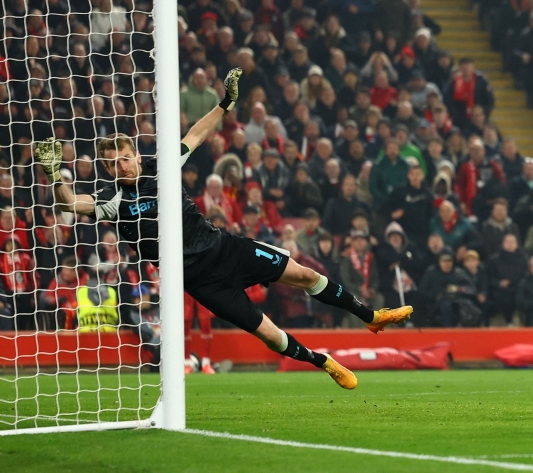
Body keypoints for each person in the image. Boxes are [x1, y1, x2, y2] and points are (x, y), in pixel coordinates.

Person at [34, 68, 412, 391]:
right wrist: (54, 176)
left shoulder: (161, 167)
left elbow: (196, 134)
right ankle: (323, 362)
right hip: (201, 282)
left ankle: (371, 317)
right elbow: (69, 203)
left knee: (303, 274)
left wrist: (226, 104)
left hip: (225, 249)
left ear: (136, 155)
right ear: (107, 167)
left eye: (126, 158)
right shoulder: (112, 200)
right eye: (114, 163)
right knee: (268, 334)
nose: (122, 166)